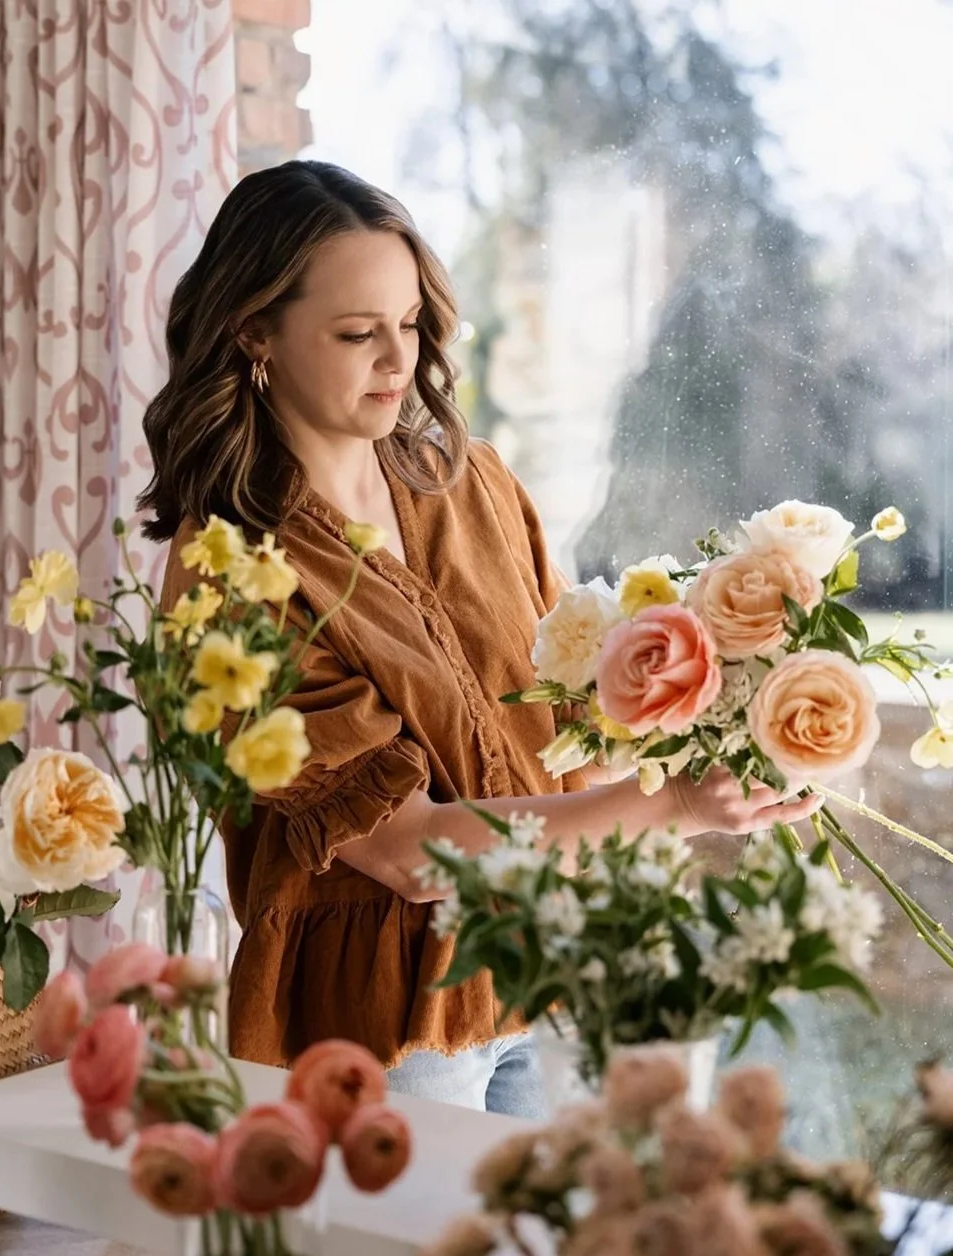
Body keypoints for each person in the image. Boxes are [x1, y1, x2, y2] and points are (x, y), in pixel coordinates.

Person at [141, 160, 820, 1119]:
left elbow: (569, 711)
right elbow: (414, 851)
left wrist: (736, 698)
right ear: (256, 330)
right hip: (390, 1027)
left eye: (410, 324)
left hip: (557, 973)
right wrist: (671, 807)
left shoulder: (469, 481)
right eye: (356, 333)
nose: (396, 359)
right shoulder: (230, 573)